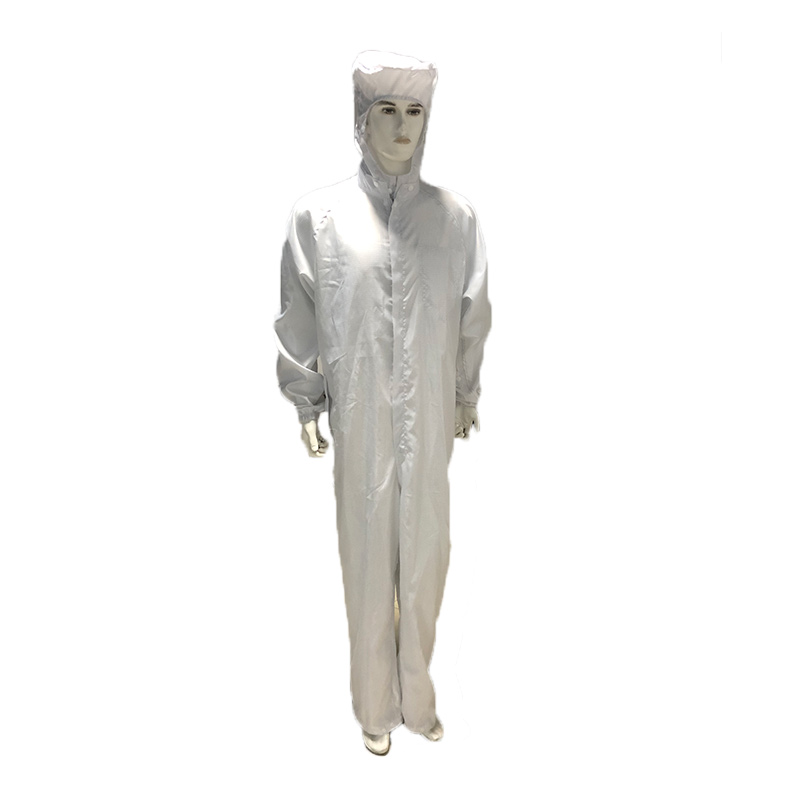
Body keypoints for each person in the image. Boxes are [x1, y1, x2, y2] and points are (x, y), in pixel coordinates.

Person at [274, 50, 491, 756]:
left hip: (429, 414)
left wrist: (463, 392)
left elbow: (472, 312)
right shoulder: (319, 216)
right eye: (387, 111)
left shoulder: (454, 219)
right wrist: (306, 402)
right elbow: (300, 315)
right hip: (361, 413)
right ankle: (376, 705)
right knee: (368, 558)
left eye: (415, 111)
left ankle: (418, 698)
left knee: (427, 554)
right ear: (361, 120)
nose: (402, 126)